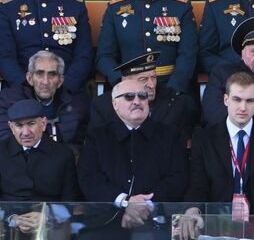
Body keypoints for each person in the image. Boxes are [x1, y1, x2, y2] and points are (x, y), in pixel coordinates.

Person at [182, 69, 254, 233]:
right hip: (217, 226)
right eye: (237, 99)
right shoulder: (204, 139)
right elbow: (197, 184)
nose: (243, 107)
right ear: (226, 99)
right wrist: (193, 209)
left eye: (249, 101)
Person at [96, 0, 198, 106]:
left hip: (169, 86)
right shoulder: (116, 9)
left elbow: (188, 54)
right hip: (127, 87)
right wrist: (121, 82)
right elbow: (104, 56)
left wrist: (173, 89)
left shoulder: (181, 7)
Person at [78, 75, 189, 213]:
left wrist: (145, 206)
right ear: (115, 104)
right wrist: (124, 201)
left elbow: (178, 178)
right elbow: (89, 179)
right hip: (108, 218)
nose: (137, 101)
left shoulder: (171, 135)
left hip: (157, 217)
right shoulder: (97, 137)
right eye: (129, 96)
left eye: (142, 96)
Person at [91, 51, 198, 138]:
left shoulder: (175, 102)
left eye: (153, 77)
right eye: (143, 79)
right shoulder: (103, 106)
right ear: (125, 81)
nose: (151, 85)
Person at [0, 50, 89, 146]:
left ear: (60, 81)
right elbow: (5, 143)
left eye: (52, 75)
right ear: (30, 78)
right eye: (39, 74)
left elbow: (80, 145)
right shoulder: (8, 101)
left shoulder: (77, 105)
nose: (45, 82)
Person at [0, 98, 79, 201]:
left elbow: (70, 199)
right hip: (10, 215)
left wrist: (46, 214)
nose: (26, 132)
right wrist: (12, 217)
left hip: (50, 215)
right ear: (11, 127)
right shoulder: (1, 151)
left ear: (43, 123)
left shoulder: (63, 154)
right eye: (19, 125)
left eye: (31, 124)